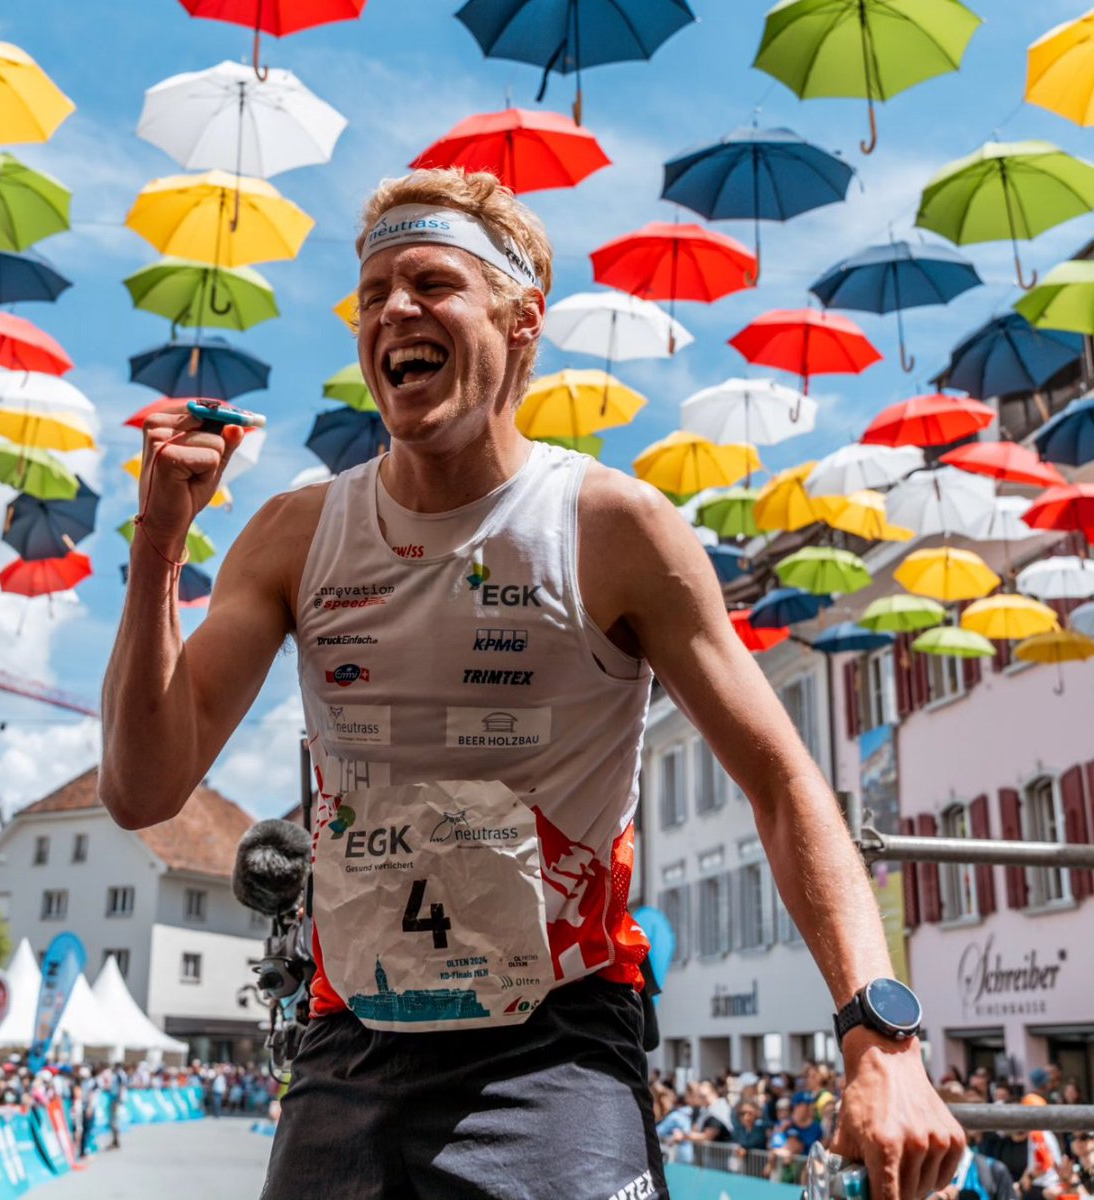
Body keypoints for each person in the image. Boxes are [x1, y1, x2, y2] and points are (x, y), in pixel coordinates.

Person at [100, 166, 965, 1200]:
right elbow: (144, 790)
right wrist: (159, 543)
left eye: (431, 284)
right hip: (349, 1035)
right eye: (372, 296)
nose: (394, 313)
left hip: (553, 1042)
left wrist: (878, 1036)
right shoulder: (295, 533)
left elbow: (785, 785)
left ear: (520, 321)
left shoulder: (611, 527)